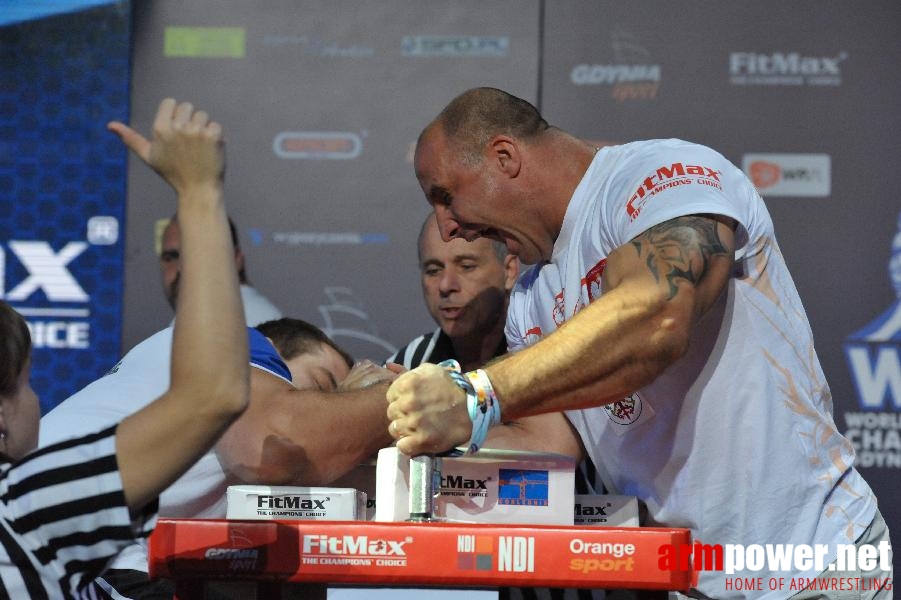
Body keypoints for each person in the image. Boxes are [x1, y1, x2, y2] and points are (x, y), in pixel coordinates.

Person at [386, 88, 892, 598]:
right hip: (690, 583)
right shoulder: (530, 297)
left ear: (504, 157)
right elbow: (550, 444)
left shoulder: (660, 176)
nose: (449, 228)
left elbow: (658, 315)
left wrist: (475, 394)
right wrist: (403, 422)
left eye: (446, 195)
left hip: (814, 564)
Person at [0, 97, 249, 597]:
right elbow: (213, 394)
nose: (38, 402)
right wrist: (199, 190)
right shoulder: (25, 506)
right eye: (28, 385)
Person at [159, 212, 284, 326]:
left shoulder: (245, 323)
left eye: (196, 254)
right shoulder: (194, 319)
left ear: (236, 259)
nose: (182, 267)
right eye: (171, 257)